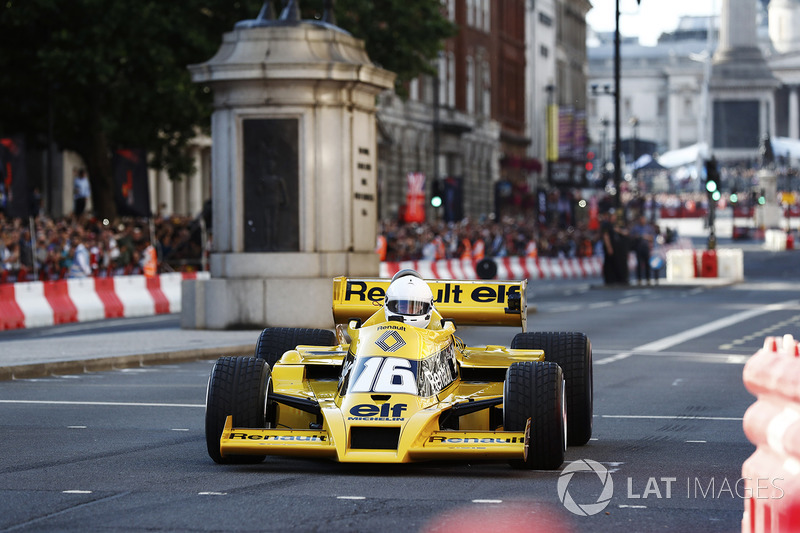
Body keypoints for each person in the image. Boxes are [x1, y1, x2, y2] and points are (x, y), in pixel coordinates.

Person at [630, 214, 656, 285]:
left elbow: (652, 238)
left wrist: (645, 237)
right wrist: (637, 236)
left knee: (647, 264)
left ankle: (648, 279)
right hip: (638, 247)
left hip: (646, 247)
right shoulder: (636, 228)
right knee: (639, 264)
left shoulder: (649, 228)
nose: (642, 221)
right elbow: (631, 236)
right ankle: (639, 279)